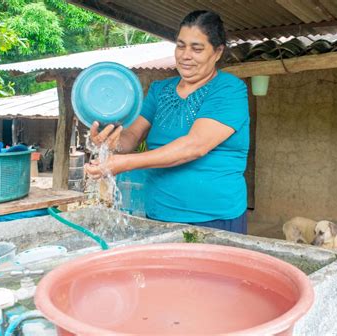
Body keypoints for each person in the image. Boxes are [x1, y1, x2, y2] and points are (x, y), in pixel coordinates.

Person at [85, 10, 249, 234]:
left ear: (218, 52)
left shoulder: (229, 89)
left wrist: (124, 163)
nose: (185, 55)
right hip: (159, 213)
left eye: (197, 48)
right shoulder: (160, 90)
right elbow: (131, 137)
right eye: (180, 46)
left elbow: (194, 146)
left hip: (213, 217)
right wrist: (109, 142)